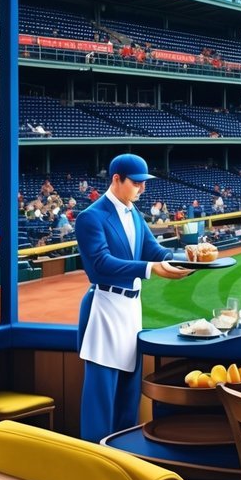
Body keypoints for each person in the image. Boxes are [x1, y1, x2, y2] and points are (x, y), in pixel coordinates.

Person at [74, 154, 192, 441]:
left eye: (143, 183)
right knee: (100, 398)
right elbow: (100, 265)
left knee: (129, 393)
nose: (142, 189)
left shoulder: (134, 213)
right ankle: (95, 459)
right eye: (136, 183)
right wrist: (152, 268)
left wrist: (189, 260)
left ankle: (125, 454)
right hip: (105, 306)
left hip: (130, 309)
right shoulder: (90, 216)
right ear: (117, 179)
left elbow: (154, 251)